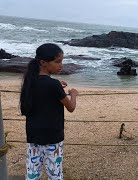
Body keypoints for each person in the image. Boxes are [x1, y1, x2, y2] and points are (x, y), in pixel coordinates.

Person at [20, 43, 79, 179]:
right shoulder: (53, 85)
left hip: (33, 135)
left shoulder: (30, 81)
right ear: (43, 62)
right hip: (53, 138)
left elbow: (44, 87)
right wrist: (74, 94)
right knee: (55, 173)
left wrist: (57, 84)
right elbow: (71, 107)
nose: (61, 65)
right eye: (57, 61)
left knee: (33, 173)